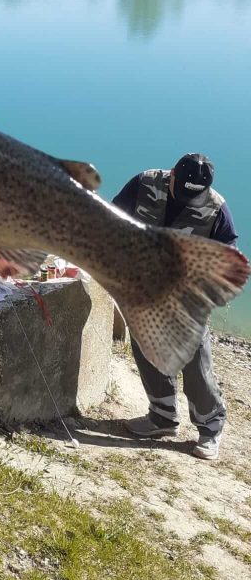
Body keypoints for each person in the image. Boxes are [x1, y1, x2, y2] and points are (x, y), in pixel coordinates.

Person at [112, 153, 238, 461]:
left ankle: (210, 429)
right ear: (171, 175)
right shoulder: (143, 183)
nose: (188, 199)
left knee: (195, 364)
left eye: (194, 194)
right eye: (182, 190)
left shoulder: (216, 208)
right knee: (146, 350)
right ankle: (162, 417)